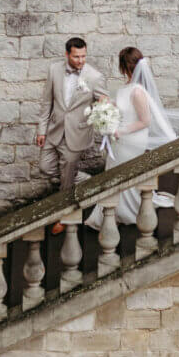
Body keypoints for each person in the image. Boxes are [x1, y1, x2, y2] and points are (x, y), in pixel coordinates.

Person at [87, 47, 176, 231]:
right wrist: (106, 108)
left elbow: (145, 121)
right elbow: (122, 109)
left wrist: (121, 131)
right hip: (119, 139)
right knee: (114, 171)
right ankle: (112, 209)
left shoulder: (138, 92)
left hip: (131, 139)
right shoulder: (126, 88)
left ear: (123, 67)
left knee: (124, 173)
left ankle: (128, 210)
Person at [37, 37, 108, 234]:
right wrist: (42, 130)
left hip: (76, 134)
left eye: (83, 56)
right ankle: (86, 179)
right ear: (67, 54)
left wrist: (103, 101)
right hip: (54, 130)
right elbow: (46, 103)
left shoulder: (94, 77)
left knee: (67, 181)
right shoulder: (54, 70)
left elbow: (104, 102)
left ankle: (64, 216)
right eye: (76, 57)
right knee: (45, 167)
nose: (80, 60)